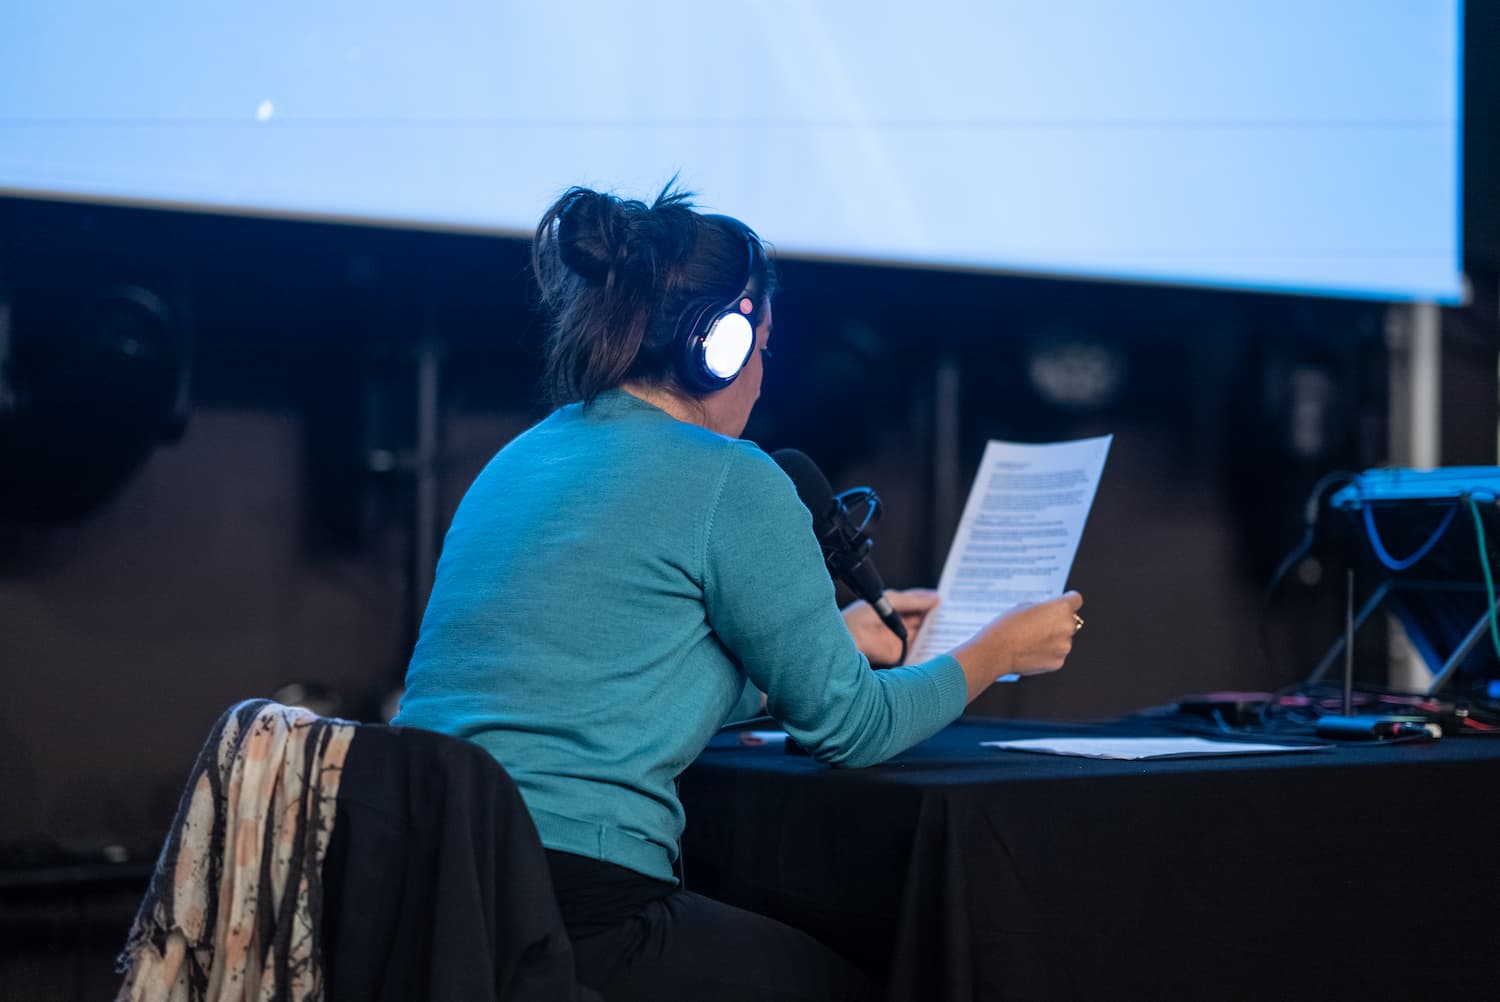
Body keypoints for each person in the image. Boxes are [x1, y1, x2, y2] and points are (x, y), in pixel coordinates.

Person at [393, 183, 1084, 1001]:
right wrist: (994, 651)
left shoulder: (518, 460)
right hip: (575, 905)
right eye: (762, 344)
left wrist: (825, 642)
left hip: (426, 886)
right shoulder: (730, 478)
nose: (764, 368)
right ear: (719, 341)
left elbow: (595, 679)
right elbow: (854, 730)